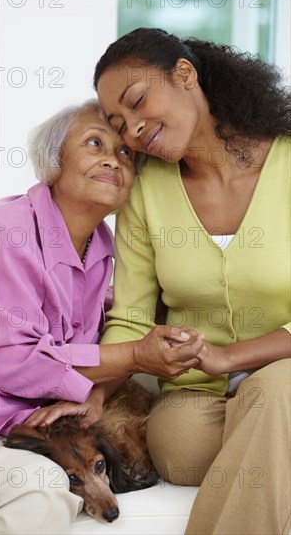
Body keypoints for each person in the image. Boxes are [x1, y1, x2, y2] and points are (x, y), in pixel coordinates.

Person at [0, 98, 202, 535]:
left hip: (4, 422)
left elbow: (77, 323)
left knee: (41, 495)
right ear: (53, 162)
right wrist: (134, 355)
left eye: (127, 154)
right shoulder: (3, 227)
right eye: (96, 144)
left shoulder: (103, 247)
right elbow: (14, 358)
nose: (114, 159)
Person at [92, 28, 291, 534]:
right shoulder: (145, 191)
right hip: (198, 394)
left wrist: (231, 358)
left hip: (286, 370)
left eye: (138, 102)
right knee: (176, 445)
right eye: (119, 124)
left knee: (276, 391)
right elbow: (131, 316)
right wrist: (93, 396)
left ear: (185, 74)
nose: (133, 130)